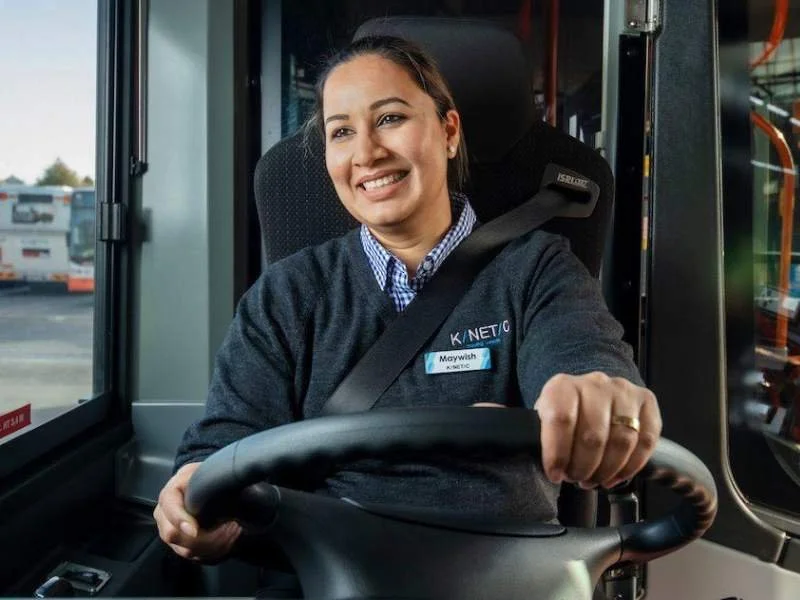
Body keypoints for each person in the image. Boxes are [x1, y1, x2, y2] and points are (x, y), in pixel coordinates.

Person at [153, 35, 661, 566]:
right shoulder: (285, 294)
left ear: (448, 131)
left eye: (391, 118)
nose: (367, 152)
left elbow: (583, 355)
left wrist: (596, 395)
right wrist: (193, 492)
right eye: (342, 131)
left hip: (504, 575)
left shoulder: (536, 268)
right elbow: (221, 444)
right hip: (328, 574)